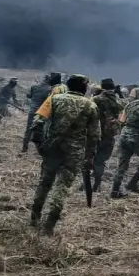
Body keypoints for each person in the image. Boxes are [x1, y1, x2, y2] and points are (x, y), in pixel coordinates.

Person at [29, 74, 98, 235]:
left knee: (44, 182)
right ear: (84, 87)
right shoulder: (91, 106)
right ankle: (49, 225)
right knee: (62, 187)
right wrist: (90, 156)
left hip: (53, 148)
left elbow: (37, 121)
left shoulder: (54, 99)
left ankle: (34, 217)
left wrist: (39, 143)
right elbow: (94, 136)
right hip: (74, 153)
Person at [91, 78, 125, 192]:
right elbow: (125, 104)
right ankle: (97, 183)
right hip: (109, 133)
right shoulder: (117, 100)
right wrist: (119, 93)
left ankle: (86, 183)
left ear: (102, 86)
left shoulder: (97, 99)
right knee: (101, 159)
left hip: (95, 132)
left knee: (90, 157)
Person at [22, 72, 63, 152]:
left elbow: (29, 96)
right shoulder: (50, 89)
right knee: (41, 131)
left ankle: (24, 147)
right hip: (42, 112)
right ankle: (40, 149)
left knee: (29, 128)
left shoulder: (34, 87)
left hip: (32, 111)